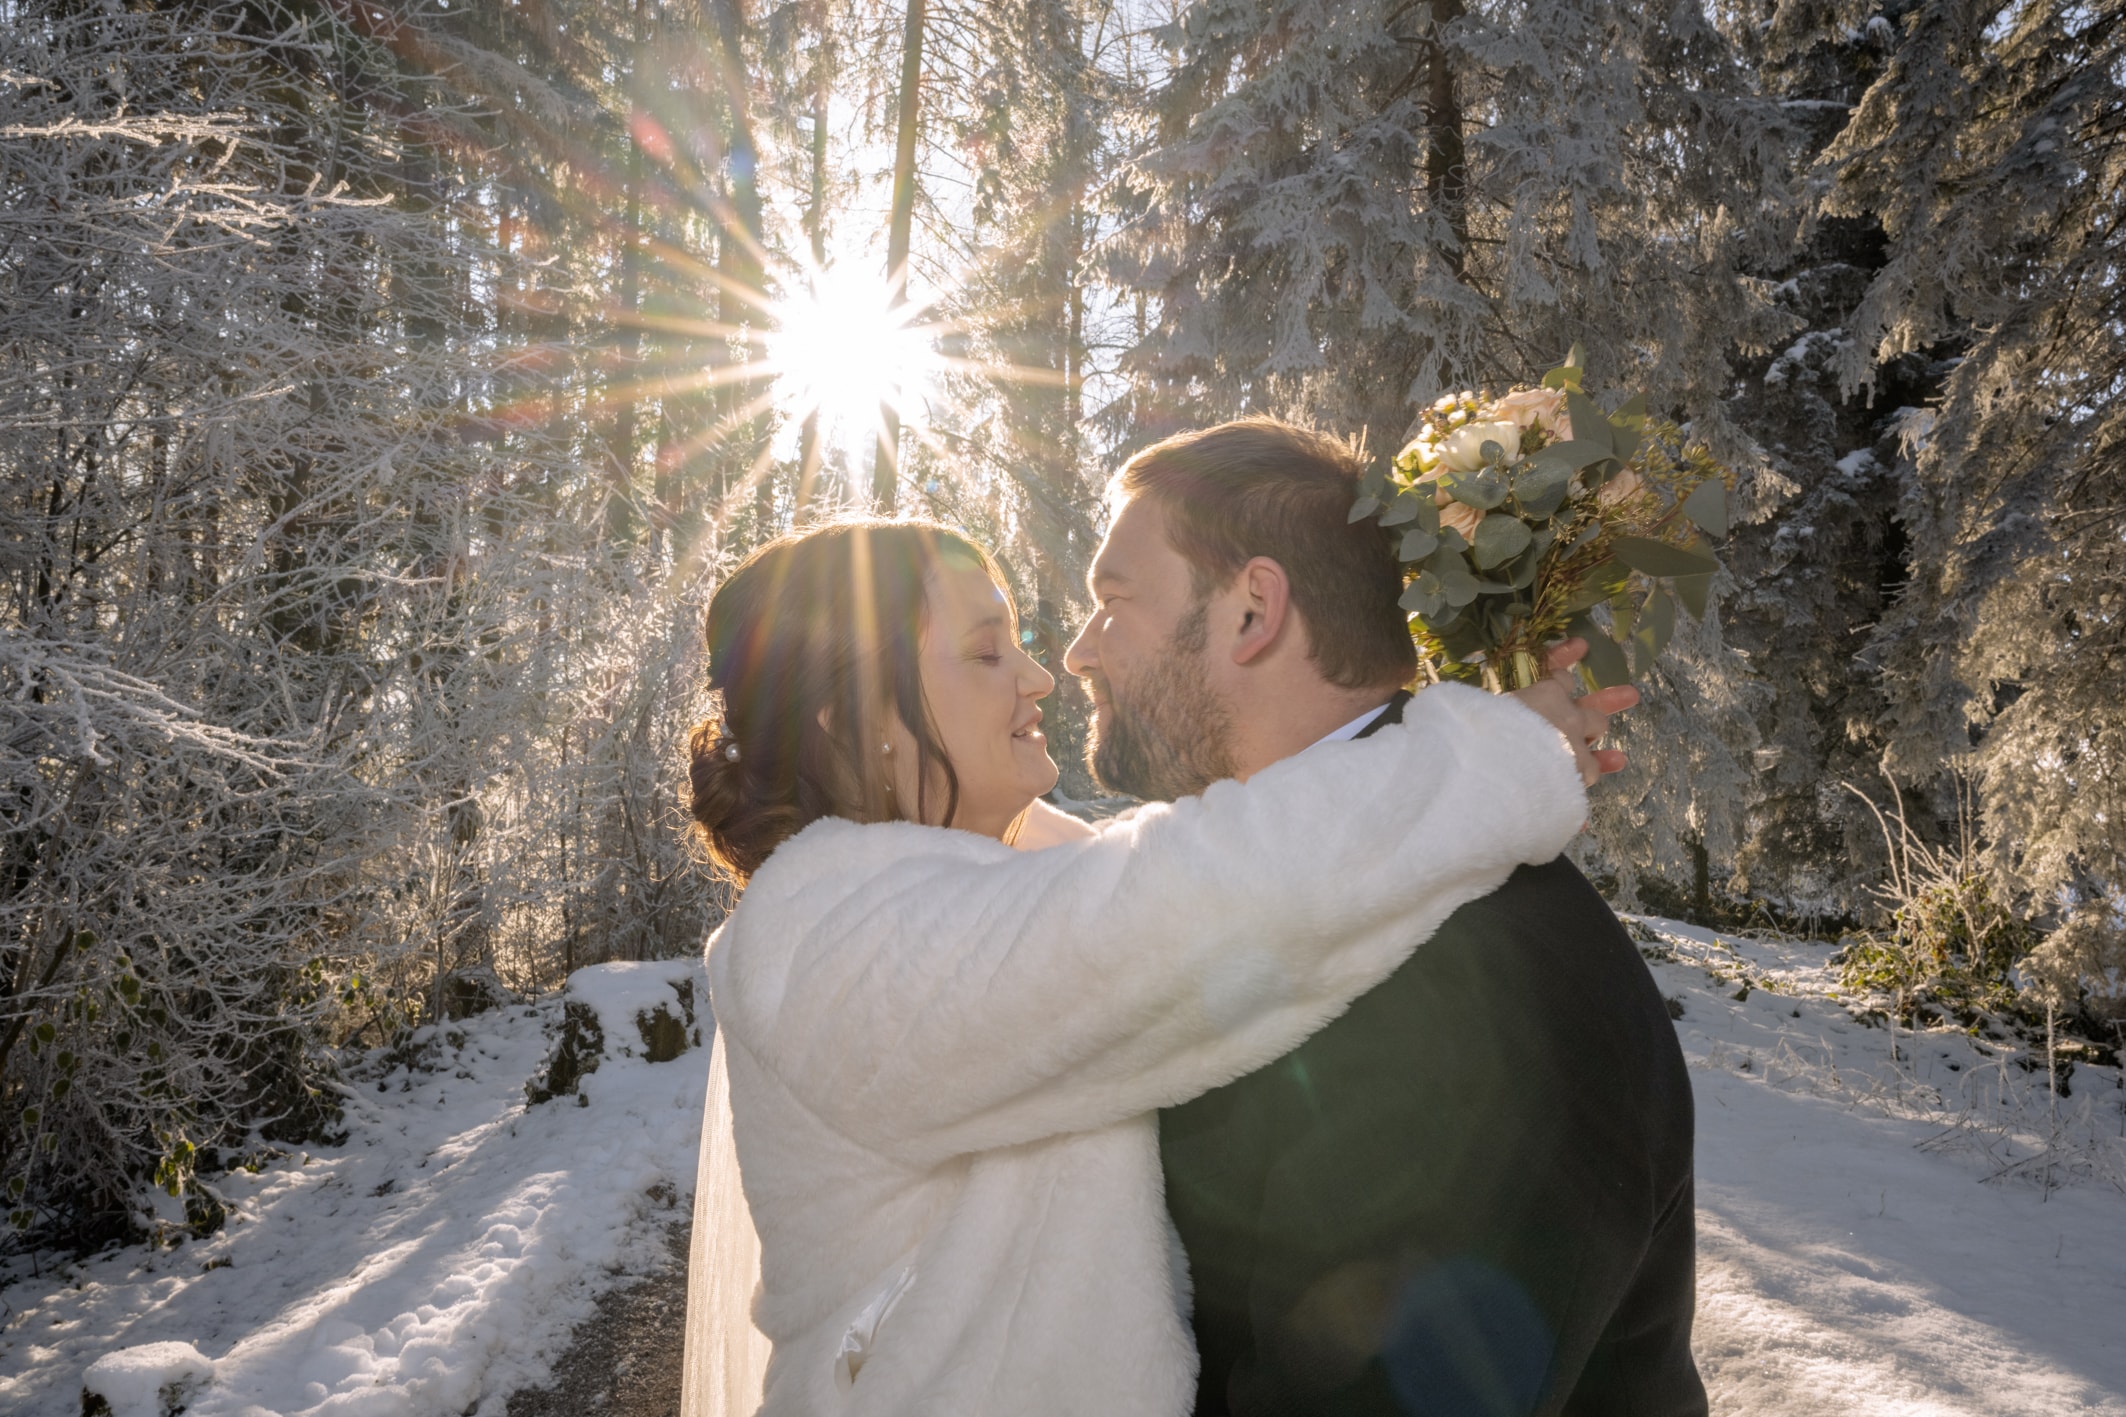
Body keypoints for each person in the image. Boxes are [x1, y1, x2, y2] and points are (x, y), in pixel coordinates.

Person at [676, 518, 1625, 1417]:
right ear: (848, 712)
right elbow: (1198, 899)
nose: (1043, 675)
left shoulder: (1005, 874)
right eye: (986, 651)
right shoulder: (824, 940)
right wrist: (1494, 754)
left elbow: (1173, 877)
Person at [1063, 418, 1707, 1416]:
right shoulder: (1284, 878)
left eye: (1111, 602)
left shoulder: (1477, 980)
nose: (1075, 652)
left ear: (1251, 612)